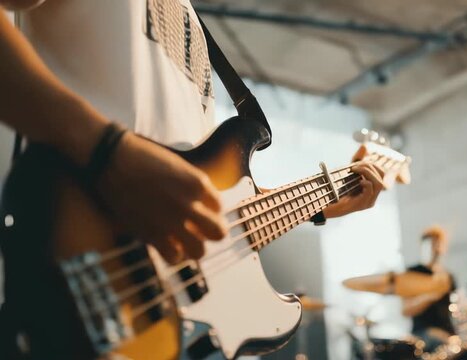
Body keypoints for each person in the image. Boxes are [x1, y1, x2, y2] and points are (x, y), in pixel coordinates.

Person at [0, 0, 385, 263]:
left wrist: (314, 208)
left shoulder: (193, 23)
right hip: (67, 248)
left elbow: (198, 191)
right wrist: (106, 152)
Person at [402, 226, 456, 352]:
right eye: (431, 245)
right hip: (423, 333)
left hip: (449, 333)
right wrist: (431, 295)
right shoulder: (413, 273)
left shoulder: (447, 276)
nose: (435, 249)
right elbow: (406, 310)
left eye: (438, 244)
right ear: (423, 247)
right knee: (439, 341)